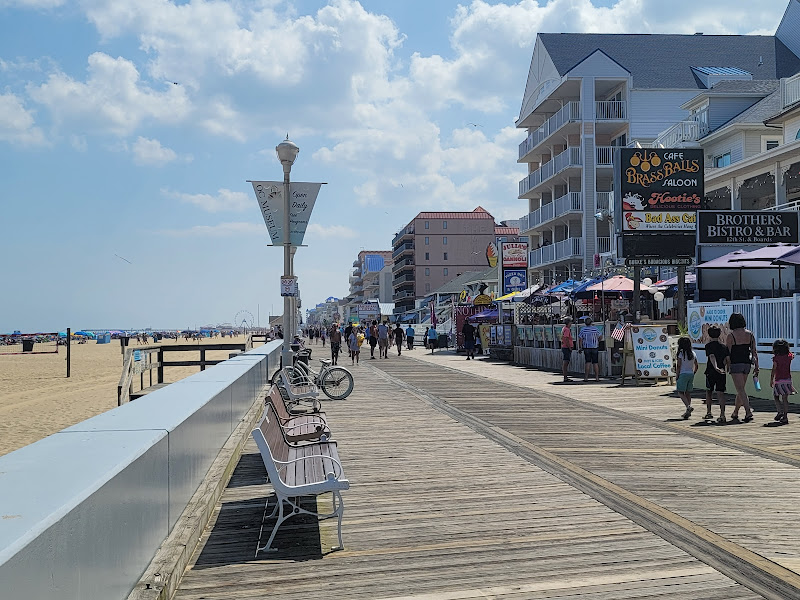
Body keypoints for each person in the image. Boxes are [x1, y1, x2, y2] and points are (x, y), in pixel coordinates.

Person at [726, 312, 757, 423]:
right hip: (747, 363)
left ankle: (748, 412)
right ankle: (735, 412)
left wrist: (727, 365)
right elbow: (754, 351)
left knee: (740, 390)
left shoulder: (731, 336)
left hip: (736, 364)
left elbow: (728, 353)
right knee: (741, 389)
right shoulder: (750, 334)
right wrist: (756, 366)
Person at [704, 325, 730, 423]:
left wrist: (716, 367)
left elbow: (712, 357)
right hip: (722, 372)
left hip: (710, 371)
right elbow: (727, 359)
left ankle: (709, 412)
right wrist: (727, 368)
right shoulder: (723, 346)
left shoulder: (708, 346)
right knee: (721, 393)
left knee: (709, 392)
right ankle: (722, 414)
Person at [770, 339, 794, 426]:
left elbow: (774, 370)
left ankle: (779, 411)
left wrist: (771, 379)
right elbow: (792, 355)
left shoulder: (776, 358)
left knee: (776, 396)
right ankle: (785, 416)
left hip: (779, 380)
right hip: (788, 380)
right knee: (785, 399)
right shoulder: (789, 357)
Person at [676, 336, 698, 419]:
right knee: (688, 392)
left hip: (683, 374)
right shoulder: (693, 353)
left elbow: (679, 365)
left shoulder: (681, 353)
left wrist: (677, 375)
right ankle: (687, 411)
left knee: (680, 392)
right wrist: (694, 372)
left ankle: (688, 407)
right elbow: (696, 365)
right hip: (690, 374)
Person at [577, 317, 601, 382]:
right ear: (591, 322)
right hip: (594, 347)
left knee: (587, 362)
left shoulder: (583, 330)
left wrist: (580, 347)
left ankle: (586, 378)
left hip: (586, 347)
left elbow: (580, 339)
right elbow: (600, 336)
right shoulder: (595, 329)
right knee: (595, 362)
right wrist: (597, 341)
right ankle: (597, 378)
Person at [560, 317, 574, 382]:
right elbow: (566, 338)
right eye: (570, 322)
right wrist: (569, 347)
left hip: (564, 346)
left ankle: (565, 376)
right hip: (566, 347)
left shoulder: (563, 328)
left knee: (566, 362)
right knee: (566, 362)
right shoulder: (567, 329)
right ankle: (565, 377)